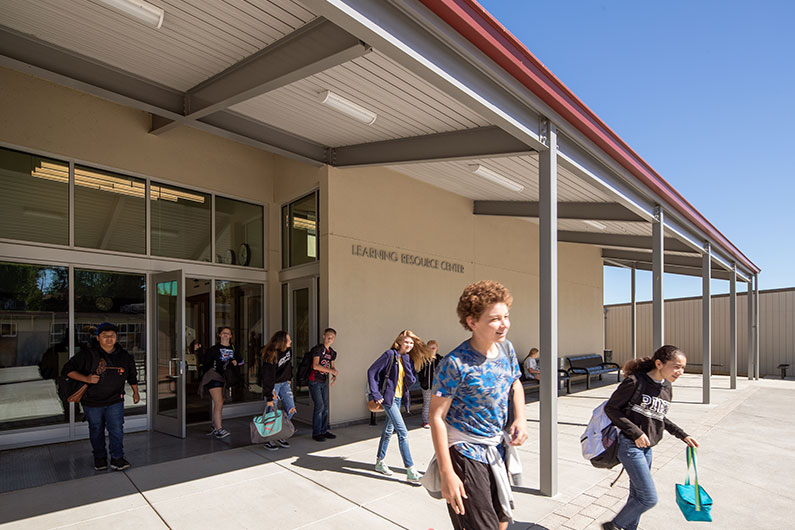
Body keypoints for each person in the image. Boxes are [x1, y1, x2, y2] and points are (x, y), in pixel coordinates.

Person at [427, 280, 528, 530]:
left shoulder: (507, 349)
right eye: (495, 319)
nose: (504, 324)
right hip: (465, 452)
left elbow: (515, 383)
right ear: (472, 322)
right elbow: (436, 417)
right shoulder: (455, 363)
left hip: (496, 447)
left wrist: (520, 418)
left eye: (506, 316)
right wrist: (447, 472)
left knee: (502, 520)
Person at [601, 345, 698, 530]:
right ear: (659, 363)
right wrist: (636, 432)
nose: (680, 372)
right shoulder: (635, 382)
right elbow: (611, 409)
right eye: (676, 366)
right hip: (629, 446)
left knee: (637, 496)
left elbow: (659, 417)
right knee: (648, 498)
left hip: (647, 449)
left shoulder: (667, 387)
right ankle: (613, 526)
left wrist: (683, 435)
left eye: (683, 368)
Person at [62, 322, 139, 471]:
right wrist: (87, 379)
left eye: (112, 336)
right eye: (105, 336)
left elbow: (132, 376)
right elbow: (67, 370)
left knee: (116, 429)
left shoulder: (124, 356)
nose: (109, 339)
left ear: (116, 337)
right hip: (92, 401)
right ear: (98, 338)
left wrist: (135, 392)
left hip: (115, 400)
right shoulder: (87, 354)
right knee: (96, 429)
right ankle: (100, 458)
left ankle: (117, 458)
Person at [368, 330, 433, 482]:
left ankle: (379, 462)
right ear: (399, 342)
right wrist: (376, 394)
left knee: (388, 430)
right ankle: (410, 470)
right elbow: (372, 371)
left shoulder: (407, 359)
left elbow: (410, 380)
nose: (409, 345)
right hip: (388, 399)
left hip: (398, 399)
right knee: (403, 432)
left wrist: (406, 360)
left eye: (411, 343)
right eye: (406, 342)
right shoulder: (389, 355)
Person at [198, 326, 243, 439]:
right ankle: (219, 429)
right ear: (219, 335)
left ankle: (215, 425)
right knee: (219, 403)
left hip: (225, 378)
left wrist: (235, 362)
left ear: (231, 336)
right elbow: (204, 361)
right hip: (214, 377)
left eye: (228, 333)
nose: (226, 335)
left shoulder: (234, 348)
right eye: (223, 333)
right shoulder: (214, 349)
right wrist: (198, 351)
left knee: (220, 402)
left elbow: (241, 362)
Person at [260, 330, 295, 451]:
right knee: (271, 412)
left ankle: (280, 433)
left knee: (291, 409)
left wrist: (289, 377)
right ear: (282, 341)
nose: (291, 341)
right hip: (274, 385)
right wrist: (269, 397)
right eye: (288, 339)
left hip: (284, 383)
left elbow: (289, 365)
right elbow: (267, 377)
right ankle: (269, 440)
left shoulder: (288, 350)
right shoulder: (271, 354)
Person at [308, 328, 338, 442]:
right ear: (323, 336)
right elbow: (315, 366)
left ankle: (324, 430)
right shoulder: (318, 350)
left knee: (325, 407)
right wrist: (331, 371)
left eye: (332, 338)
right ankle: (316, 432)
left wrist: (334, 374)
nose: (330, 339)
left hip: (323, 381)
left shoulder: (332, 352)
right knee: (319, 406)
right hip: (314, 380)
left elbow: (332, 367)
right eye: (328, 337)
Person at [418, 339, 443, 428]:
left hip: (437, 386)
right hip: (426, 386)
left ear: (437, 348)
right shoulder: (424, 359)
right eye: (429, 348)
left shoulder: (440, 359)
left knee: (437, 403)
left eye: (433, 348)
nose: (432, 350)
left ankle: (436, 420)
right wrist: (422, 380)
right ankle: (426, 421)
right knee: (427, 403)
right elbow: (420, 371)